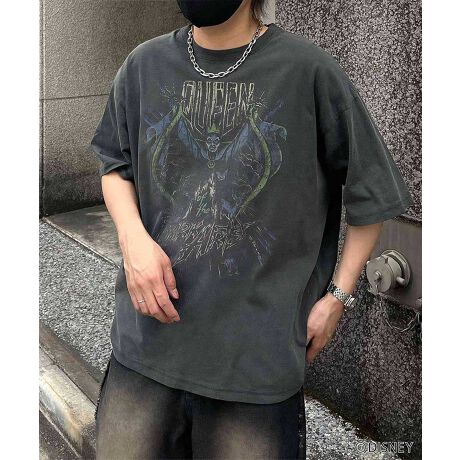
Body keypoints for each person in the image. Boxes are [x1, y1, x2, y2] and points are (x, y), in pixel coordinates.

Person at [90, 0, 414, 458]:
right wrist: (132, 239)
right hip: (144, 352)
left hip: (255, 370)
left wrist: (338, 298)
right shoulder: (144, 64)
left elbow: (372, 195)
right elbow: (114, 163)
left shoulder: (309, 71)